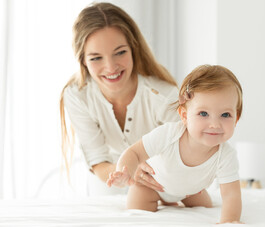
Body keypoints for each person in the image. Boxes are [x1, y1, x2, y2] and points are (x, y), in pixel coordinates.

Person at [59, 2, 179, 195]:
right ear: (82, 60)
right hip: (107, 185)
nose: (111, 67)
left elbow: (189, 154)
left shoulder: (164, 96)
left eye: (120, 52)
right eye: (96, 58)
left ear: (133, 49)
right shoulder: (77, 95)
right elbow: (97, 159)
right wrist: (127, 172)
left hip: (162, 186)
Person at [107, 64, 243, 224]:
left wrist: (229, 222)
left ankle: (175, 199)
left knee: (206, 205)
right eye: (203, 114)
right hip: (151, 186)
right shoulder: (168, 134)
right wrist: (124, 171)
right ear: (184, 116)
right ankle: (160, 200)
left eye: (225, 114)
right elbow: (134, 153)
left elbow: (231, 195)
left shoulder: (226, 155)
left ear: (236, 118)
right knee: (138, 212)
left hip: (189, 192)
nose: (214, 124)